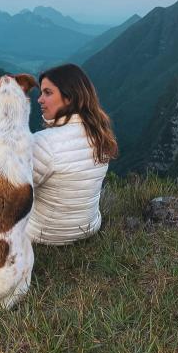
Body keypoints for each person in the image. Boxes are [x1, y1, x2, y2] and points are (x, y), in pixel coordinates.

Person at [26, 63, 118, 245]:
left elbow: (10, 189)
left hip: (43, 234)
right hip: (89, 228)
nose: (40, 99)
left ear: (69, 98)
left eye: (48, 93)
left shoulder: (43, 142)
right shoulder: (100, 136)